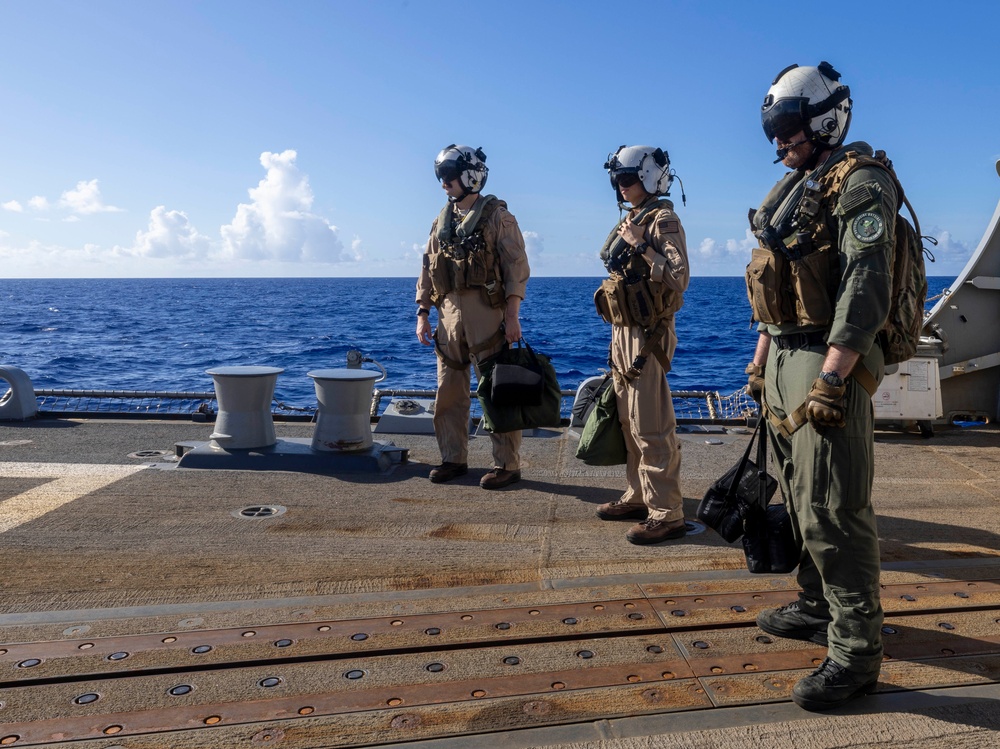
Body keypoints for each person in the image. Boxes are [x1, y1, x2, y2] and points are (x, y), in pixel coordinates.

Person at [745, 62, 895, 711]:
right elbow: (773, 291)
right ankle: (815, 602)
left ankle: (857, 649)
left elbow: (865, 285)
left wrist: (833, 375)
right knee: (801, 496)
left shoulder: (861, 183)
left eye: (787, 128)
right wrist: (759, 365)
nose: (779, 142)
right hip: (785, 355)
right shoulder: (799, 186)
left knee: (835, 505)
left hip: (826, 361)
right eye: (773, 131)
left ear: (824, 119)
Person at [415, 144, 530, 490]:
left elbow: (516, 268)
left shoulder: (498, 217)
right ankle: (453, 457)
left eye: (448, 177)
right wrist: (422, 313)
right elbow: (427, 267)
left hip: (487, 313)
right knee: (448, 391)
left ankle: (507, 464)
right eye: (441, 178)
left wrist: (512, 316)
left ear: (470, 176)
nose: (444, 184)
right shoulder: (441, 220)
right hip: (449, 315)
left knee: (498, 392)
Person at [593, 145, 690, 544]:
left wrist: (641, 246)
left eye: (627, 179)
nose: (621, 186)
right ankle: (639, 496)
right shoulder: (633, 217)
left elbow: (679, 278)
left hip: (646, 335)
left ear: (648, 178)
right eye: (617, 180)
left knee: (651, 425)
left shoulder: (662, 219)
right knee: (628, 422)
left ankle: (667, 513)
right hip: (622, 330)